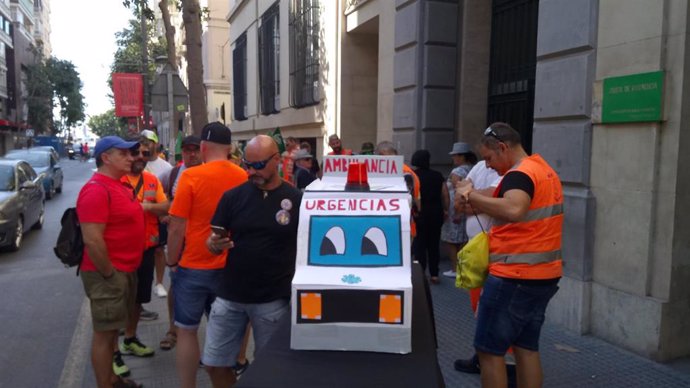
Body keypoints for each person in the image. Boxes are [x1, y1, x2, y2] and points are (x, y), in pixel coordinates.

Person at [455, 122, 563, 388]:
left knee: (489, 352)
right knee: (526, 348)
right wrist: (470, 193)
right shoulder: (543, 170)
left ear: (503, 148)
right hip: (543, 275)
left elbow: (514, 209)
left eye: (489, 158)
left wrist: (471, 196)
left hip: (514, 276)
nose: (488, 165)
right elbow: (502, 194)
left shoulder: (519, 174)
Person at [203, 135, 302, 388]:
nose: (251, 171)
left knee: (269, 369)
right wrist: (214, 244)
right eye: (248, 164)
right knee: (214, 363)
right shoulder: (232, 197)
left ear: (277, 160)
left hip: (272, 300)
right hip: (229, 296)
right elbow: (214, 240)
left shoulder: (297, 199)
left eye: (258, 165)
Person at [165, 122, 248, 388]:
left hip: (193, 266)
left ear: (202, 148)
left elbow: (177, 226)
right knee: (224, 330)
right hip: (230, 266)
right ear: (229, 149)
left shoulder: (191, 176)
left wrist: (172, 261)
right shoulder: (243, 176)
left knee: (187, 330)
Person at [76, 136, 144, 388]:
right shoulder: (96, 189)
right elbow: (92, 240)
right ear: (106, 158)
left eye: (131, 153)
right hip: (108, 274)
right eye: (123, 154)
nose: (131, 158)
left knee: (113, 329)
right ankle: (105, 384)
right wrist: (109, 274)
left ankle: (113, 379)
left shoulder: (119, 184)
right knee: (104, 335)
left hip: (124, 270)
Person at [114, 140, 170, 376]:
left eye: (143, 153)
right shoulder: (115, 181)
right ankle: (113, 354)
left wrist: (147, 207)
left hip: (146, 248)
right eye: (133, 153)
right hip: (120, 251)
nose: (139, 156)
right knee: (118, 301)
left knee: (138, 299)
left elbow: (165, 205)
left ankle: (129, 339)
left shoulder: (151, 180)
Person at [159, 135, 203, 352]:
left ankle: (212, 343)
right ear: (182, 152)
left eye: (195, 150)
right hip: (180, 242)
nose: (191, 154)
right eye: (187, 150)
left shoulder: (210, 173)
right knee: (175, 285)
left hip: (205, 242)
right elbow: (159, 199)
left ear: (202, 151)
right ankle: (172, 330)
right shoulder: (173, 173)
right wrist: (164, 214)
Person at [140, 129, 173, 300]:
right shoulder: (136, 162)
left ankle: (159, 282)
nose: (145, 146)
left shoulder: (166, 167)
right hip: (138, 217)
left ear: (155, 144)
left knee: (159, 249)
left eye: (148, 142)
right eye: (142, 142)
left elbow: (168, 193)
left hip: (157, 215)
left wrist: (164, 212)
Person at [411, 149, 448, 284]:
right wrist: (445, 209)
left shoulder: (413, 176)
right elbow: (445, 194)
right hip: (436, 212)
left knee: (420, 243)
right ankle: (434, 274)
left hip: (420, 213)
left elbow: (414, 196)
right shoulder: (437, 175)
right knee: (434, 243)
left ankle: (421, 273)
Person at [441, 142, 477, 278]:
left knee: (452, 240)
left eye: (455, 156)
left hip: (455, 209)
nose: (453, 158)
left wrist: (456, 212)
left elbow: (459, 191)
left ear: (462, 156)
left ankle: (456, 269)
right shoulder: (472, 169)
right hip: (466, 208)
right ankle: (463, 268)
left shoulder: (457, 172)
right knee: (463, 239)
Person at [375, 141, 422, 240]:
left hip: (387, 226)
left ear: (382, 154)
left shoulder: (386, 173)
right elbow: (418, 204)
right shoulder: (410, 173)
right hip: (406, 225)